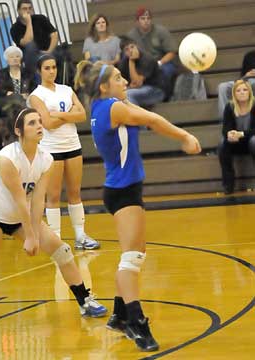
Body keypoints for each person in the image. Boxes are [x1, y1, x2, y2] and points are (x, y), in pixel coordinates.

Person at [75, 61, 201, 351]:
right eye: (118, 78)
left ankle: (119, 315)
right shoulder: (112, 108)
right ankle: (135, 321)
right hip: (122, 192)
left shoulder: (103, 107)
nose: (125, 81)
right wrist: (185, 136)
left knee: (135, 256)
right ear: (104, 87)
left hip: (124, 188)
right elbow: (153, 121)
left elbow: (143, 115)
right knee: (131, 259)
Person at [0, 108, 107, 335]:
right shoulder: (6, 158)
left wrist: (35, 232)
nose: (39, 126)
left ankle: (85, 301)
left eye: (40, 121)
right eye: (32, 123)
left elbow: (38, 199)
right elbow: (20, 200)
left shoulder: (46, 159)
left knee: (63, 251)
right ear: (18, 130)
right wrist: (31, 236)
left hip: (20, 217)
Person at [28, 54, 100, 250]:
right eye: (47, 68)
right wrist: (70, 115)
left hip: (72, 145)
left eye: (54, 67)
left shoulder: (66, 90)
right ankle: (56, 239)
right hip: (51, 150)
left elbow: (83, 115)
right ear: (39, 71)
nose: (52, 71)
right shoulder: (36, 95)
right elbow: (48, 124)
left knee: (75, 193)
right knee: (53, 196)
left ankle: (80, 235)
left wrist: (59, 114)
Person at [127, 7, 178, 96]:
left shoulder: (161, 31)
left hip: (160, 62)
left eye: (148, 18)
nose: (146, 21)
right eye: (143, 19)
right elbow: (127, 54)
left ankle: (165, 95)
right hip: (142, 65)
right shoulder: (131, 36)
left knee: (166, 70)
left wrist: (160, 62)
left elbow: (172, 52)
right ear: (137, 21)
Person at [218, 79, 255, 194]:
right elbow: (225, 128)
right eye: (238, 91)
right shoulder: (230, 107)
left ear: (249, 92)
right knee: (222, 144)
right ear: (234, 94)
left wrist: (242, 134)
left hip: (250, 140)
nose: (242, 92)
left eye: (245, 90)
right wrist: (229, 134)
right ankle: (228, 185)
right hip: (236, 142)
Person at [10, 0, 58, 74]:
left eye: (30, 8)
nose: (28, 11)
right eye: (24, 9)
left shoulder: (41, 18)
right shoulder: (15, 28)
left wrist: (49, 51)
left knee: (60, 54)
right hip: (30, 57)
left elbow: (54, 35)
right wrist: (29, 22)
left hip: (47, 52)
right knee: (30, 45)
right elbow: (27, 42)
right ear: (18, 10)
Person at [118, 35, 165, 107]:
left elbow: (137, 83)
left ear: (137, 46)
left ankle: (136, 117)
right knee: (116, 95)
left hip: (155, 91)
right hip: (137, 90)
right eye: (127, 49)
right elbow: (125, 83)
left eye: (132, 47)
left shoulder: (147, 59)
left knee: (127, 95)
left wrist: (131, 61)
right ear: (124, 53)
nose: (130, 50)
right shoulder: (123, 62)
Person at [218, 50, 255, 117]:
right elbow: (243, 73)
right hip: (245, 80)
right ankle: (225, 119)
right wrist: (245, 76)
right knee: (223, 87)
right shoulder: (249, 55)